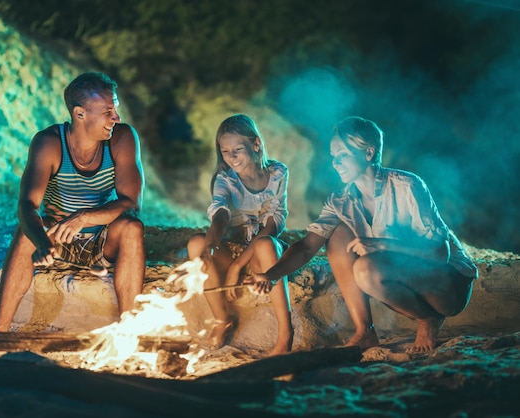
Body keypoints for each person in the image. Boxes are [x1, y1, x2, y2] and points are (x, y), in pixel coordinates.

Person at [250, 116, 478, 353]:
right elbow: (308, 246)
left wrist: (381, 245)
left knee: (367, 268)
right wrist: (270, 274)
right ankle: (365, 331)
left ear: (368, 153)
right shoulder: (340, 201)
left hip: (448, 287)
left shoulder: (407, 185)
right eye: (333, 156)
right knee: (336, 234)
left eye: (343, 155)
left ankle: (427, 320)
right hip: (402, 281)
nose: (335, 163)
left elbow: (440, 252)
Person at [0, 72, 145, 332]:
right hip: (57, 237)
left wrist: (86, 217)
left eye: (116, 108)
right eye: (108, 111)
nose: (116, 117)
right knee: (24, 233)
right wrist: (41, 243)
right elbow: (27, 205)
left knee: (132, 228)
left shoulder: (122, 139)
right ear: (80, 113)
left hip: (103, 239)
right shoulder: (49, 143)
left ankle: (128, 333)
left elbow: (131, 203)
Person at [186, 114, 294, 356]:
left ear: (256, 145)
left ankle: (285, 337)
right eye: (225, 151)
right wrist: (208, 248)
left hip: (260, 257)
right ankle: (221, 319)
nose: (231, 157)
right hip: (231, 248)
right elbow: (220, 214)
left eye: (238, 149)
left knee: (266, 243)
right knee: (195, 242)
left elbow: (273, 225)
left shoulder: (278, 174)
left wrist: (236, 267)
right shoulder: (225, 179)